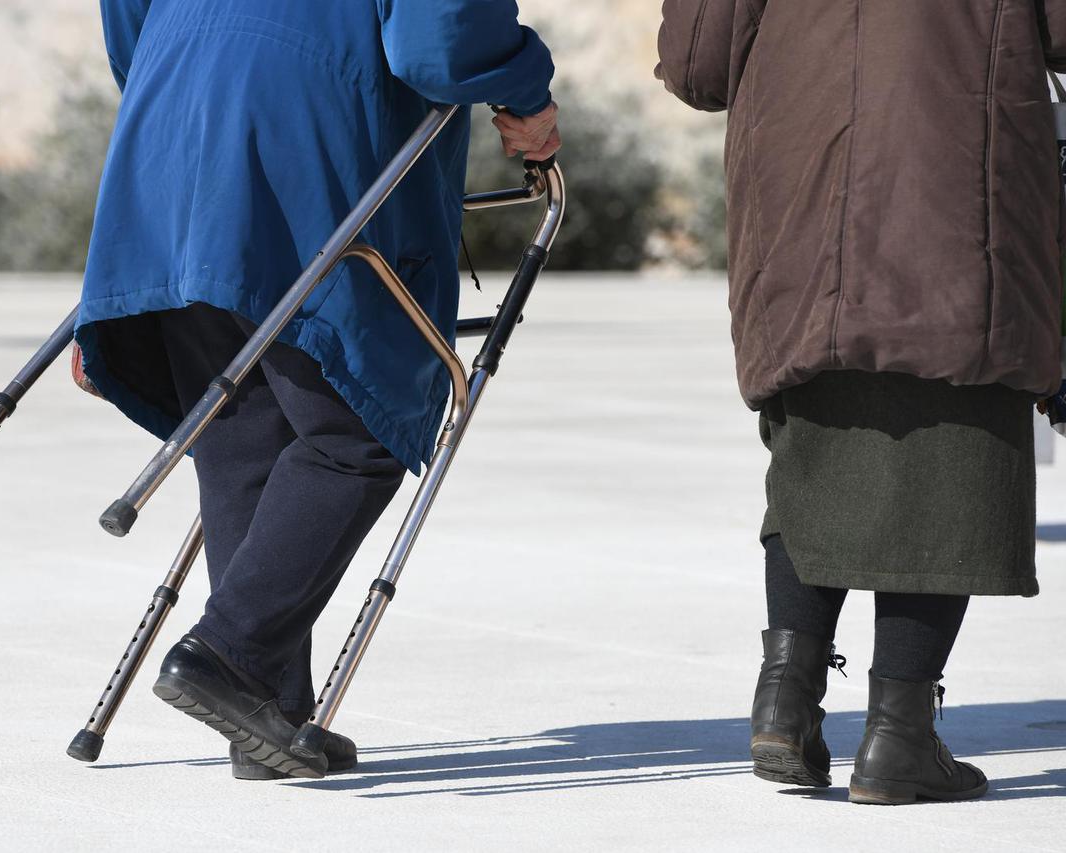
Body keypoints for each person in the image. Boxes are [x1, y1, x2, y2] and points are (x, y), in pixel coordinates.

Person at [76, 0, 560, 780]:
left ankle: (263, 713)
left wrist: (198, 76)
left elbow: (127, 23)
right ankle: (229, 655)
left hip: (168, 129)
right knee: (357, 431)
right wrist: (525, 93)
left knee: (237, 430)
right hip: (302, 130)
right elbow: (437, 39)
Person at [657, 1, 1066, 805]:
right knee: (953, 445)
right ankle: (900, 736)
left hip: (804, 178)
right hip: (959, 173)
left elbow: (699, 60)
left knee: (817, 435)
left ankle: (786, 695)